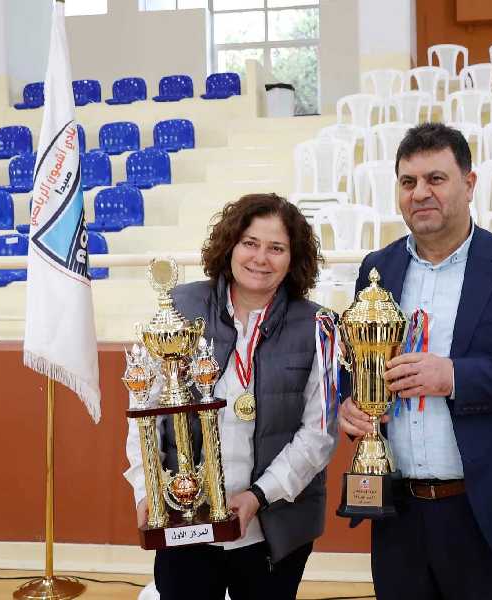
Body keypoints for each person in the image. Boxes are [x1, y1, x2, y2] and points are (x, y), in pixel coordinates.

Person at [338, 123, 492, 600]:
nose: (420, 193)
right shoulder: (377, 269)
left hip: (489, 512)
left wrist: (454, 377)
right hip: (399, 514)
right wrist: (354, 403)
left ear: (469, 185)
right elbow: (363, 362)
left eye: (436, 179)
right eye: (408, 182)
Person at [124, 193, 338, 600]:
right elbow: (144, 410)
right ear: (230, 245)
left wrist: (259, 496)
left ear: (294, 258)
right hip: (185, 521)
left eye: (276, 248)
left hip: (274, 528)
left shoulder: (319, 326)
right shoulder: (179, 308)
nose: (261, 258)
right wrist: (147, 489)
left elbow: (319, 434)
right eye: (250, 243)